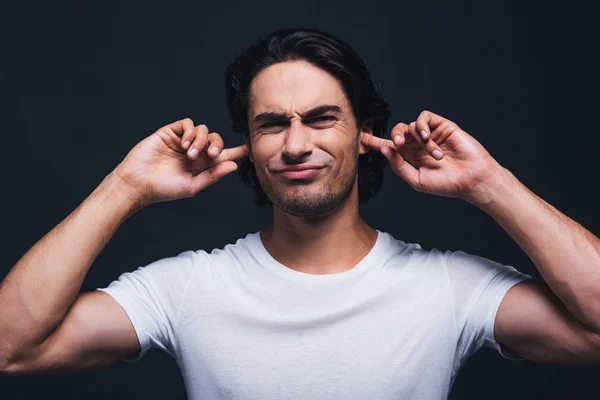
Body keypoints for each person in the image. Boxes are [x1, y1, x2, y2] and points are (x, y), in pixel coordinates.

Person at [1, 28, 599, 399]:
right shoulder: (189, 287)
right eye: (271, 124)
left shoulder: (446, 286)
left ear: (365, 132)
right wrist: (125, 187)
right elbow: (11, 348)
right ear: (249, 144)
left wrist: (488, 184)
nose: (294, 144)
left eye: (320, 118)